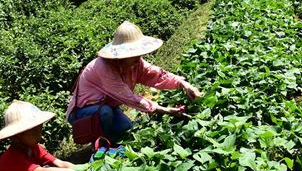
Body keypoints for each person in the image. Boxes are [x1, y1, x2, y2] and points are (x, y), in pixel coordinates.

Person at [66, 21, 203, 144]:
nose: (139, 57)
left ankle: (109, 137)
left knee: (126, 129)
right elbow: (129, 97)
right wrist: (166, 111)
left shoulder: (135, 62)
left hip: (108, 106)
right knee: (105, 114)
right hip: (83, 112)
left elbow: (157, 75)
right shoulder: (104, 67)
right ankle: (103, 144)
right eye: (135, 53)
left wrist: (184, 84)